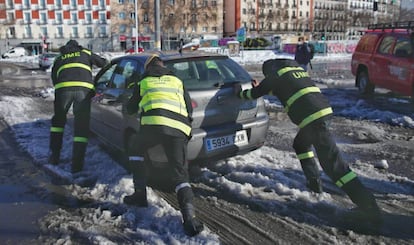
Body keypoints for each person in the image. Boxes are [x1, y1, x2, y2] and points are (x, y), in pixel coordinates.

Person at [235, 58, 381, 220]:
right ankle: (314, 184)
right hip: (322, 112)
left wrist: (238, 93)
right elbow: (282, 89)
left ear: (268, 71)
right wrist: (263, 87)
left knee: (334, 164)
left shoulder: (274, 75)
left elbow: (252, 94)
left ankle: (368, 205)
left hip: (312, 120)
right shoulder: (295, 71)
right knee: (301, 145)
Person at [124, 54, 204, 236]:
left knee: (135, 150)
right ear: (162, 66)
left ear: (147, 69)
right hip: (178, 129)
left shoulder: (143, 82)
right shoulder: (176, 80)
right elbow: (189, 108)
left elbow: (130, 109)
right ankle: (190, 218)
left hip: (152, 127)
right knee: (180, 172)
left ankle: (139, 194)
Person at [49, 40, 107, 173]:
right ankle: (77, 165)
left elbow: (54, 77)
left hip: (63, 90)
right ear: (77, 46)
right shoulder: (85, 52)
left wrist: (62, 88)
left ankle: (54, 156)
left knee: (58, 123)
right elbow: (103, 64)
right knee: (81, 126)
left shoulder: (59, 58)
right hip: (83, 91)